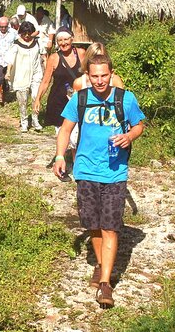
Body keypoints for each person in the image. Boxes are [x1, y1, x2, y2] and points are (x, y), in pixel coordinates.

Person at [53, 53, 145, 309]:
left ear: (112, 73)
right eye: (95, 76)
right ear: (88, 76)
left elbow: (139, 125)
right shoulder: (80, 99)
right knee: (93, 224)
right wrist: (60, 155)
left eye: (104, 75)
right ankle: (101, 265)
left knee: (110, 227)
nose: (100, 80)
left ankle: (105, 283)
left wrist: (129, 136)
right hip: (85, 171)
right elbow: (66, 129)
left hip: (115, 173)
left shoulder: (125, 98)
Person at [33, 27, 86, 175]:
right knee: (61, 133)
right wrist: (38, 99)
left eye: (66, 39)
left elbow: (90, 74)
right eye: (60, 40)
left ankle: (78, 166)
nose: (63, 43)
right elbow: (45, 81)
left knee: (76, 136)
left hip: (77, 100)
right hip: (58, 101)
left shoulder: (81, 54)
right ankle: (61, 166)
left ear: (72, 39)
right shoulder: (54, 58)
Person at [5, 21, 43, 132]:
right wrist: (8, 72)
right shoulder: (16, 44)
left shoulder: (36, 43)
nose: (27, 36)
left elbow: (42, 56)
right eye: (24, 33)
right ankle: (24, 121)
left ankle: (35, 120)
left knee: (36, 96)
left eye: (29, 33)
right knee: (23, 99)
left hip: (36, 73)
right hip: (21, 74)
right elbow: (10, 59)